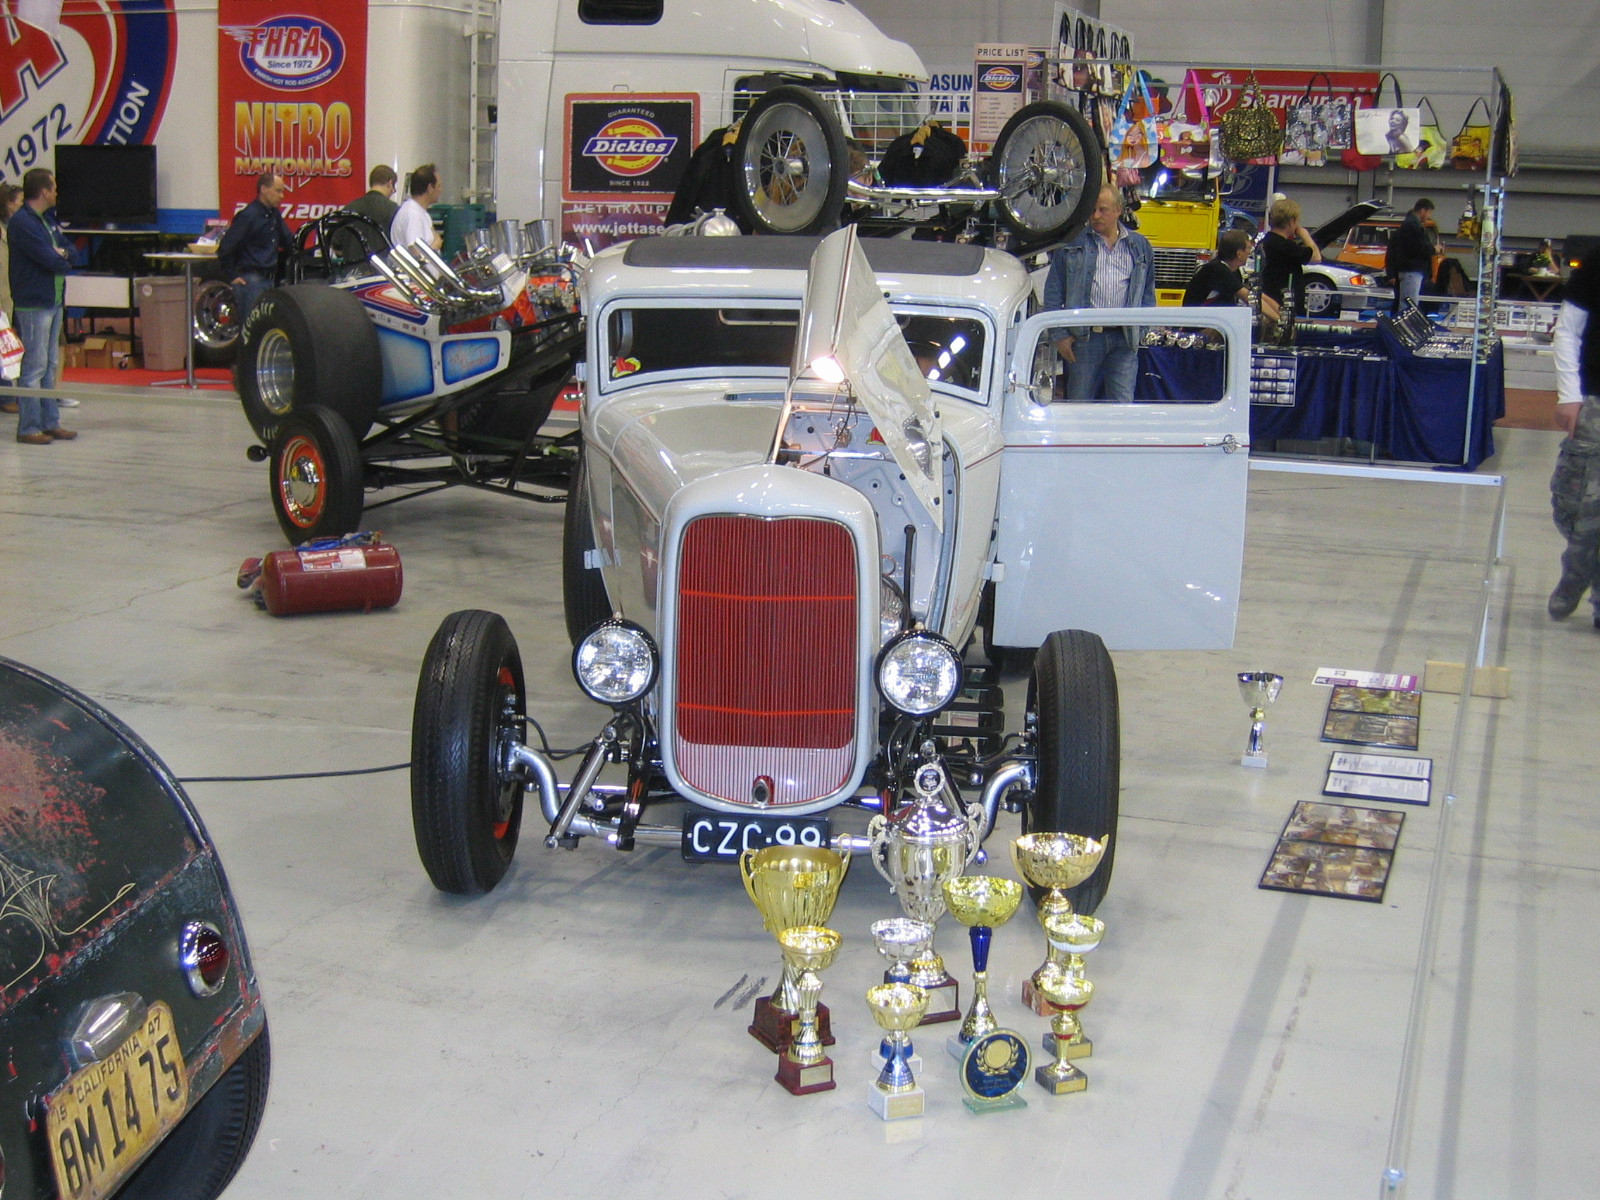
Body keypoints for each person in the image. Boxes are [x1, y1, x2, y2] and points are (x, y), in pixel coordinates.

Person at [1041, 184, 1155, 401]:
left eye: (1103, 210)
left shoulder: (1140, 246)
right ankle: (1077, 437)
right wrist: (1060, 336)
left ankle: (1116, 437)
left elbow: (1148, 293)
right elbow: (1053, 292)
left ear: (1118, 210)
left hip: (1125, 339)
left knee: (1122, 405)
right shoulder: (1071, 245)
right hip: (1084, 339)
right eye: (1092, 210)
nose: (1095, 216)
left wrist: (1141, 330)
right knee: (1078, 404)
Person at [1547, 246, 1600, 626]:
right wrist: (1570, 394)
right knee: (1570, 503)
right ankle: (1580, 569)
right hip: (1593, 405)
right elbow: (1567, 330)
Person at [9, 168, 74, 444]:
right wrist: (59, 256)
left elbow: (68, 249)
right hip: (34, 303)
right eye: (54, 187)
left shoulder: (45, 221)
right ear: (45, 191)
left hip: (53, 300)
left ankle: (50, 422)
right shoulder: (23, 223)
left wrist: (62, 254)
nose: (57, 192)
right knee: (34, 366)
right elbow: (51, 259)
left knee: (50, 364)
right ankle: (28, 427)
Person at [218, 171, 292, 321]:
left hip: (271, 281)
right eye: (278, 191)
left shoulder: (274, 215)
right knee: (251, 331)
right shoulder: (248, 216)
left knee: (264, 329)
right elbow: (226, 248)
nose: (282, 196)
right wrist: (232, 276)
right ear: (264, 189)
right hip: (252, 282)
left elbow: (289, 241)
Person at [1258, 197, 1321, 318]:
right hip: (1281, 305)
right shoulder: (1285, 246)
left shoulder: (1265, 241)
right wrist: (1305, 235)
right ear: (1292, 221)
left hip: (1268, 300)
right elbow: (1316, 257)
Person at [1384, 198, 1436, 313]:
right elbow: (1420, 248)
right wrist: (1433, 249)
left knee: (1406, 303)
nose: (1428, 216)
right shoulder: (1412, 227)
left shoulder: (1408, 225)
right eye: (1429, 213)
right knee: (1408, 305)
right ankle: (1404, 329)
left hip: (1409, 271)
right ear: (1422, 210)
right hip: (1411, 271)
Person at [0, 182, 22, 416]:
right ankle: (6, 396)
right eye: (18, 201)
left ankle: (7, 394)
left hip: (9, 299)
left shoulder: (10, 230)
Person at [391, 164, 442, 250]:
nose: (441, 190)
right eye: (439, 186)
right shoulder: (413, 214)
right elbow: (416, 251)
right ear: (430, 188)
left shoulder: (420, 212)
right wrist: (436, 245)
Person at [346, 164, 399, 232]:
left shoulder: (349, 208)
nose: (394, 191)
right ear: (390, 183)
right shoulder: (394, 210)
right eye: (393, 186)